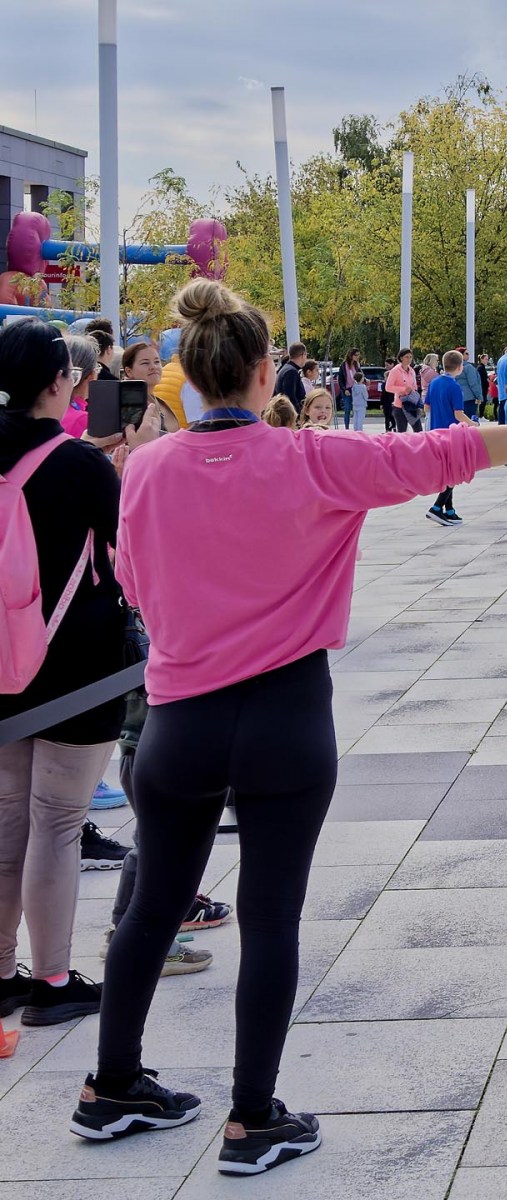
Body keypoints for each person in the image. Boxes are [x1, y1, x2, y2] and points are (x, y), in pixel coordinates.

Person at [73, 277, 507, 1173]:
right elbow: (453, 452)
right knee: (270, 917)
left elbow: (135, 586)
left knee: (151, 907)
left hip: (179, 715)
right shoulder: (314, 458)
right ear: (265, 371)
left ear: (191, 371)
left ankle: (110, 1087)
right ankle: (252, 1119)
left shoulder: (144, 467)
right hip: (284, 713)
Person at [0, 319, 148, 1028]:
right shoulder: (79, 465)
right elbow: (130, 548)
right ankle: (53, 982)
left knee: (7, 823)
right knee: (57, 824)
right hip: (74, 664)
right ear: (60, 382)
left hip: (2, 663)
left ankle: (2, 973)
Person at [424, 350, 476, 526]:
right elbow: (458, 414)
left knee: (448, 470)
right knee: (454, 471)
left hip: (436, 432)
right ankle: (437, 507)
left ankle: (450, 509)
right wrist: (473, 425)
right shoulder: (454, 387)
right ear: (460, 366)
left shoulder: (434, 382)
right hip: (451, 434)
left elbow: (427, 407)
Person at [386, 349, 421, 433]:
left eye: (410, 357)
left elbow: (414, 386)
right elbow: (388, 387)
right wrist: (403, 389)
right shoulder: (395, 371)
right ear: (401, 358)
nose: (409, 359)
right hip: (400, 405)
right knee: (402, 432)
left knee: (419, 430)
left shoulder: (412, 371)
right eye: (406, 357)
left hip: (411, 404)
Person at [273, 344, 308, 411]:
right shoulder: (291, 372)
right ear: (303, 355)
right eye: (306, 355)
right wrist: (300, 415)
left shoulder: (287, 369)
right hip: (289, 414)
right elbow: (290, 398)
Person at [456, 346, 484, 422]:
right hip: (469, 397)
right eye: (466, 353)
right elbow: (473, 383)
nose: (468, 355)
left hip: (458, 397)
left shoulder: (454, 368)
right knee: (471, 420)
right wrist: (479, 396)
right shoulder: (468, 367)